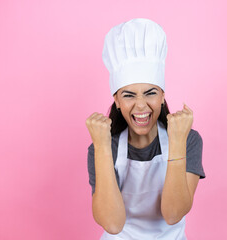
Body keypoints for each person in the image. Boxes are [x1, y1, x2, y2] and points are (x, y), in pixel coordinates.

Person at [85, 18, 205, 240]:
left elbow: (173, 214)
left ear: (162, 96)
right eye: (129, 95)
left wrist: (177, 141)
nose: (141, 105)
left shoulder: (188, 139)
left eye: (150, 93)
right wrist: (102, 146)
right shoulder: (104, 146)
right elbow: (112, 224)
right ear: (117, 101)